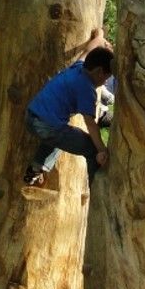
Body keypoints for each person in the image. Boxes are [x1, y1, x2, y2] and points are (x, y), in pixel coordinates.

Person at [23, 29, 113, 187]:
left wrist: (99, 36)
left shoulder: (78, 66)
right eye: (106, 77)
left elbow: (88, 50)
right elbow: (91, 124)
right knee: (89, 147)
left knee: (62, 134)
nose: (106, 82)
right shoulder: (86, 88)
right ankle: (96, 191)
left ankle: (36, 169)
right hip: (47, 126)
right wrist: (101, 150)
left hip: (31, 117)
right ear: (99, 71)